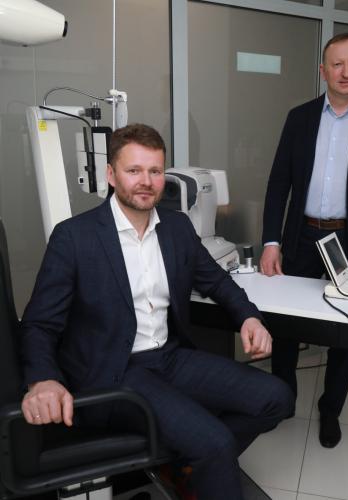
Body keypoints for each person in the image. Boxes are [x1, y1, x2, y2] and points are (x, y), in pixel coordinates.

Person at [20, 123, 294, 500]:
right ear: (111, 174)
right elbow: (38, 324)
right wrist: (43, 380)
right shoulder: (75, 237)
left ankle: (188, 466)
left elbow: (216, 281)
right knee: (213, 442)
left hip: (169, 358)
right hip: (115, 372)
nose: (146, 182)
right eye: (134, 170)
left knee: (277, 397)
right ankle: (202, 458)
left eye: (155, 171)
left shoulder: (177, 228)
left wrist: (249, 316)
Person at [260, 33, 348, 448]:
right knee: (285, 323)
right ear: (322, 71)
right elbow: (279, 184)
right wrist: (271, 242)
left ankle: (331, 410)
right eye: (337, 64)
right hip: (302, 235)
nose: (346, 72)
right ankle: (282, 399)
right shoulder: (299, 117)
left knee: (345, 329)